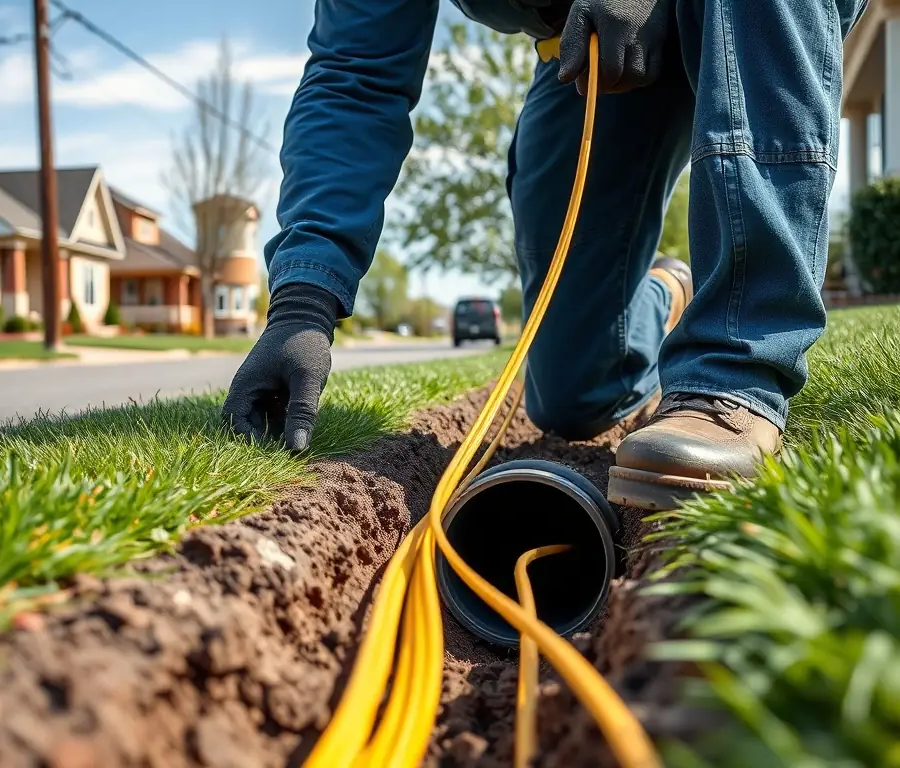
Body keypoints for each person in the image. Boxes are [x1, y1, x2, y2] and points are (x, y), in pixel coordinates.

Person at [221, 0, 869, 510]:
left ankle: (734, 379)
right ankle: (666, 294)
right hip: (593, 35)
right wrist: (303, 305)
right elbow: (354, 76)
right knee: (571, 393)